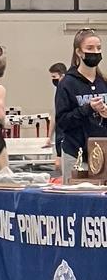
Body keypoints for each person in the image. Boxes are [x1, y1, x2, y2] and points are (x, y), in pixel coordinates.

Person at [54, 29, 107, 183]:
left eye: (98, 48)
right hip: (76, 153)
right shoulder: (67, 83)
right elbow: (63, 121)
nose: (95, 52)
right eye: (90, 48)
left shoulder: (103, 82)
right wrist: (88, 109)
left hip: (102, 153)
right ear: (79, 52)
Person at [45, 61, 67, 169]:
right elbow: (55, 115)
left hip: (66, 135)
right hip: (59, 135)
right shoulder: (58, 91)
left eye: (54, 77)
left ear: (62, 75)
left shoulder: (66, 91)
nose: (53, 80)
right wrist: (49, 137)